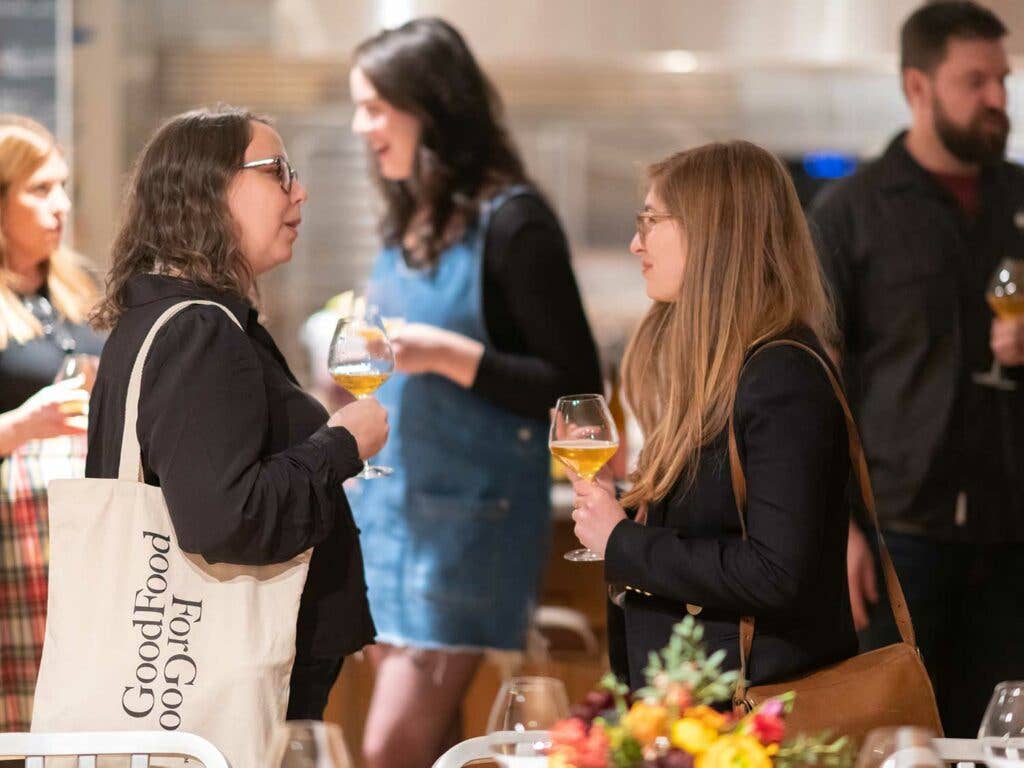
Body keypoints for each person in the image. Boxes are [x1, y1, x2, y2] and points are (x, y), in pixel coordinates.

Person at [348, 17, 602, 768]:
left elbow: (577, 392)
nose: (361, 127)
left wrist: (450, 356)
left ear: (429, 106)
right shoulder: (408, 222)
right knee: (441, 746)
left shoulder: (516, 222)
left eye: (374, 107)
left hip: (466, 531)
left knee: (389, 747)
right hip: (390, 520)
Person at [85, 106, 389, 721]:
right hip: (217, 678)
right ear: (209, 189)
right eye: (278, 170)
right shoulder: (199, 330)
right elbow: (227, 517)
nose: (299, 189)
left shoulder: (179, 320)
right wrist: (340, 443)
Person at [569, 141, 858, 690]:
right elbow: (710, 521)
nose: (636, 243)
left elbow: (778, 573)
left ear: (712, 232)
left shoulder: (781, 376)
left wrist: (621, 542)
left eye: (650, 220)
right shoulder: (720, 364)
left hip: (756, 717)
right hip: (691, 701)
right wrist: (621, 503)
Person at [809, 1, 1024, 737]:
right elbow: (816, 387)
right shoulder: (848, 214)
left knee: (1006, 743)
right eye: (977, 81)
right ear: (917, 87)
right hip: (898, 537)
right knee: (899, 744)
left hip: (1014, 534)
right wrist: (839, 528)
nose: (1000, 99)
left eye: (1003, 78)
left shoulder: (1022, 199)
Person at [0, 114, 103, 730]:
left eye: (63, 187)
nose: (59, 206)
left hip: (85, 539)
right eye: (39, 190)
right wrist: (23, 423)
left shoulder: (78, 288)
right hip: (15, 549)